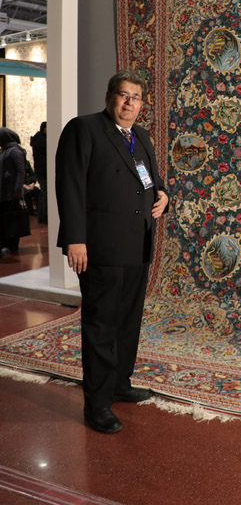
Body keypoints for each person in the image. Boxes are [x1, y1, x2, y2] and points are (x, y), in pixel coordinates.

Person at [56, 70, 169, 434]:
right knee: (102, 325)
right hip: (100, 248)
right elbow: (70, 185)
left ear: (142, 104)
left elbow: (152, 181)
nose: (129, 103)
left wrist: (164, 196)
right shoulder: (84, 129)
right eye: (123, 95)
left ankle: (120, 383)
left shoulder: (141, 136)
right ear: (109, 96)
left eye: (135, 97)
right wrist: (75, 239)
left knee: (127, 322)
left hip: (137, 246)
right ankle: (97, 404)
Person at [0, 128, 27, 254]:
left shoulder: (15, 151)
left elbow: (21, 171)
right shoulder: (5, 150)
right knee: (5, 218)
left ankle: (12, 244)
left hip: (11, 192)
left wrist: (17, 190)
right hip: (4, 191)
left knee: (12, 219)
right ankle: (6, 243)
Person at [30, 121, 47, 224]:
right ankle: (44, 216)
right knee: (45, 193)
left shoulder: (38, 139)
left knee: (43, 193)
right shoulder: (42, 141)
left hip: (40, 171)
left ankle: (42, 216)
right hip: (43, 171)